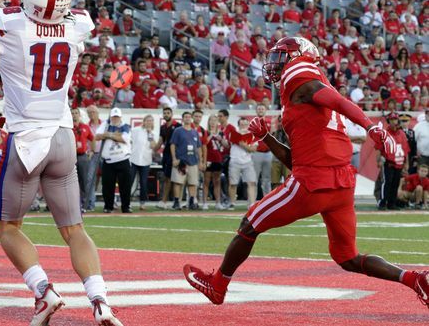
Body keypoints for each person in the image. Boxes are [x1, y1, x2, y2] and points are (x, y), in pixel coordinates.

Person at [183, 36, 429, 310]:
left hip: (313, 181)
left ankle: (218, 285)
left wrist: (371, 126)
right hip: (339, 185)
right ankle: (414, 279)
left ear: (299, 55)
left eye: (282, 55)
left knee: (250, 224)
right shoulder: (305, 93)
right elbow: (295, 158)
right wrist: (266, 136)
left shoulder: (299, 71)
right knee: (348, 257)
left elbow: (339, 101)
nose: (276, 62)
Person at [0, 0, 123, 325]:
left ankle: (44, 290)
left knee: (7, 227)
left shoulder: (12, 26)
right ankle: (100, 302)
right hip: (62, 135)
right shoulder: (78, 25)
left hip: (26, 139)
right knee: (75, 229)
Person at [96, 107, 132, 213]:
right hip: (108, 160)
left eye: (117, 117)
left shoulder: (125, 126)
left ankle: (126, 206)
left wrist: (109, 135)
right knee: (107, 185)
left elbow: (124, 138)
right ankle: (108, 206)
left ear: (120, 117)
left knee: (125, 185)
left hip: (123, 159)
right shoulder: (106, 124)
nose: (115, 119)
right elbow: (97, 136)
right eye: (113, 117)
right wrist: (114, 135)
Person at [170, 112, 204, 210]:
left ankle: (192, 201)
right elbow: (172, 145)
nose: (188, 118)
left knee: (193, 182)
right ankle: (176, 201)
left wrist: (200, 161)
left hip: (193, 161)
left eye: (189, 117)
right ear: (183, 119)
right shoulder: (178, 131)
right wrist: (174, 158)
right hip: (181, 161)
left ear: (191, 118)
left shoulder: (195, 132)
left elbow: (198, 147)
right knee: (178, 182)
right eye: (186, 117)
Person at [377, 112, 410, 210]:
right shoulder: (385, 133)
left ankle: (392, 203)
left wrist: (406, 163)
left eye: (395, 119)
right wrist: (378, 160)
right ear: (388, 121)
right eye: (391, 120)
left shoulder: (402, 134)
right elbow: (379, 148)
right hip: (388, 162)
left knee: (395, 183)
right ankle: (383, 202)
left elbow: (406, 149)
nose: (393, 122)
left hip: (399, 162)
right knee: (387, 183)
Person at [228, 117, 257, 210]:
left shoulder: (252, 135)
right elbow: (229, 143)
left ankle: (251, 203)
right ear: (238, 124)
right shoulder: (233, 133)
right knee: (233, 183)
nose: (243, 125)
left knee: (251, 182)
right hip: (235, 160)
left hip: (247, 161)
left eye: (245, 124)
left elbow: (253, 149)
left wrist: (244, 145)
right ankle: (232, 202)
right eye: (242, 123)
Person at [155, 107, 181, 209]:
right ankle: (168, 201)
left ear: (172, 114)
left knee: (172, 178)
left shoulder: (178, 126)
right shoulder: (163, 127)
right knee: (167, 178)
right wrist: (152, 149)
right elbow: (161, 141)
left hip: (174, 155)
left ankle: (166, 200)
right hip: (166, 155)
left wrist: (177, 156)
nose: (166, 114)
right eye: (164, 113)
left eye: (168, 113)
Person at [130, 114, 157, 210]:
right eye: (148, 120)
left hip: (146, 160)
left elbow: (154, 146)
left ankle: (142, 202)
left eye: (151, 120)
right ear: (144, 121)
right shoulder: (136, 130)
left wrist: (150, 134)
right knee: (129, 181)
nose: (149, 122)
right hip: (134, 159)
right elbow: (129, 141)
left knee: (143, 182)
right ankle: (126, 201)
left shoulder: (153, 133)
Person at [72, 108, 95, 213]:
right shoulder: (68, 127)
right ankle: (72, 205)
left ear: (79, 115)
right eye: (72, 113)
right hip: (70, 157)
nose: (74, 115)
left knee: (84, 180)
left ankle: (84, 204)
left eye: (76, 113)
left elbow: (92, 138)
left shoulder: (85, 127)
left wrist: (92, 151)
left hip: (82, 156)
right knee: (71, 181)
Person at [204, 114, 225, 210]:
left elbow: (226, 145)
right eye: (211, 120)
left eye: (214, 120)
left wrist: (221, 139)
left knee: (217, 181)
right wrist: (211, 135)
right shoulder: (206, 132)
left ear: (217, 123)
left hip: (218, 159)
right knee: (206, 181)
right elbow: (204, 144)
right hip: (208, 159)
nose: (213, 122)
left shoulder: (221, 133)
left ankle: (218, 202)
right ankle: (205, 202)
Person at [252, 104, 272, 199]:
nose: (260, 110)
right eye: (259, 108)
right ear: (256, 111)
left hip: (268, 153)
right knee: (254, 178)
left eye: (262, 108)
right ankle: (252, 200)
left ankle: (267, 199)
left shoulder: (269, 122)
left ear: (265, 110)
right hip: (257, 152)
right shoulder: (253, 122)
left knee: (267, 179)